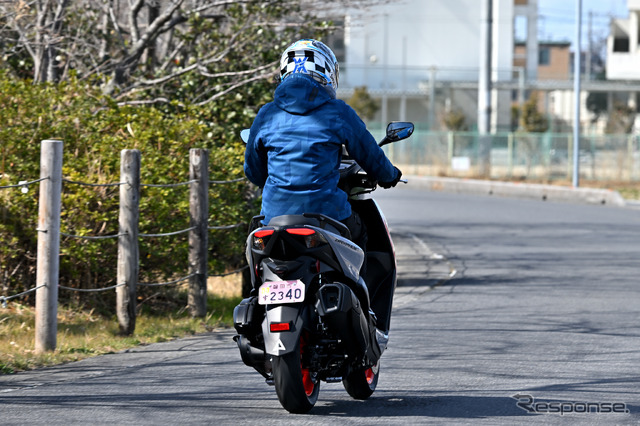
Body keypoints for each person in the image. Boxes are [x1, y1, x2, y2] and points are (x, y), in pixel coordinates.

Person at [244, 39, 402, 263]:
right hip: (327, 214)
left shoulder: (267, 114)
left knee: (259, 252)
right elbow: (369, 154)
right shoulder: (338, 112)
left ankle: (257, 293)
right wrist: (390, 175)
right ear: (328, 72)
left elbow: (253, 171)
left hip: (274, 218)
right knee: (362, 233)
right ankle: (361, 294)